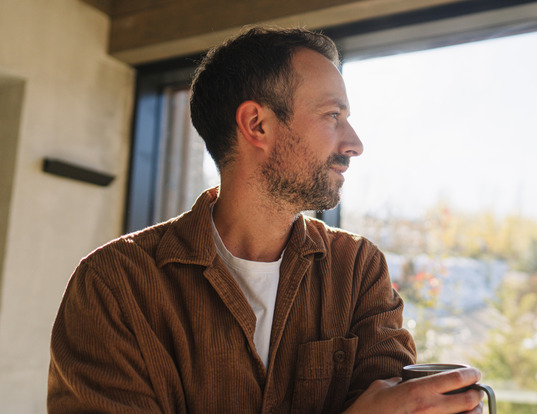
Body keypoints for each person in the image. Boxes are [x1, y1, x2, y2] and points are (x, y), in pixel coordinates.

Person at [48, 26, 484, 413]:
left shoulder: (357, 268)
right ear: (257, 124)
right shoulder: (113, 285)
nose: (354, 144)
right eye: (333, 116)